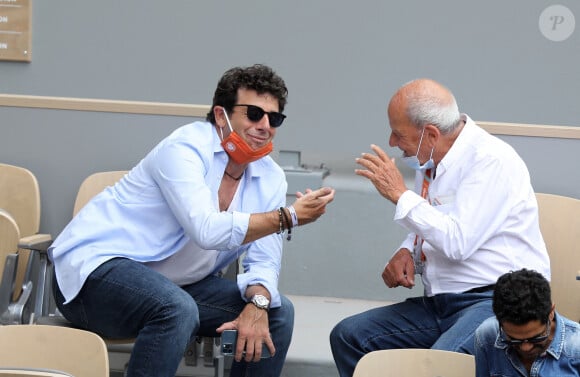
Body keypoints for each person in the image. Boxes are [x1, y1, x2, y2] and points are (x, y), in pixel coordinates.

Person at [48, 64, 335, 377]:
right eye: (254, 113)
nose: (265, 125)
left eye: (274, 118)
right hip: (94, 276)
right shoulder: (184, 148)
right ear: (221, 115)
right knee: (175, 309)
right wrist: (289, 216)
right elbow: (205, 229)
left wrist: (259, 304)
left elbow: (264, 260)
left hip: (175, 286)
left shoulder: (271, 178)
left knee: (278, 313)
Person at [329, 78, 550, 377]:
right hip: (441, 304)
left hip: (493, 301)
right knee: (349, 336)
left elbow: (458, 241)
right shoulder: (431, 159)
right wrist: (407, 249)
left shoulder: (491, 161)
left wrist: (399, 194)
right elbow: (435, 220)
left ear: (430, 134)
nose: (392, 142)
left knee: (437, 367)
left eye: (398, 134)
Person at [475, 268, 580, 376]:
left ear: (551, 313)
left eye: (536, 338)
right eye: (513, 340)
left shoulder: (576, 347)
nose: (525, 348)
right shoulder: (487, 336)